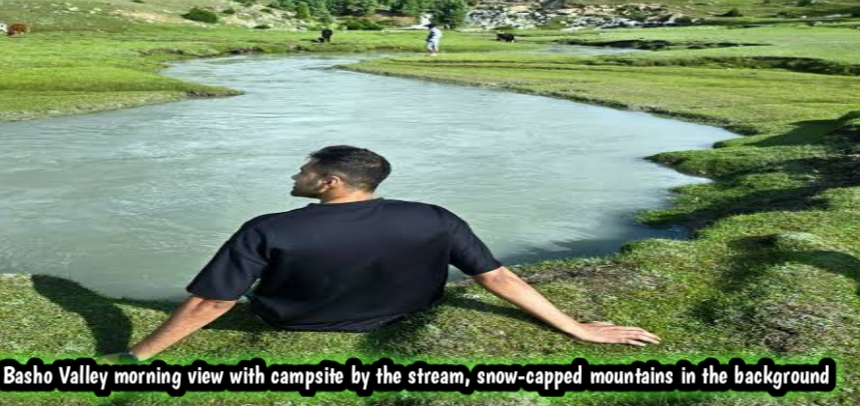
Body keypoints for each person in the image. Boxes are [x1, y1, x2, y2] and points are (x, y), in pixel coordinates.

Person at [104, 146, 659, 363]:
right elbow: (497, 278)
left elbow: (212, 304)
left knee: (234, 281)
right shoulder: (434, 216)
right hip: (404, 314)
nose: (295, 174)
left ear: (331, 182)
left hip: (296, 325)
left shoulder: (268, 228)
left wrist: (138, 356)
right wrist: (576, 329)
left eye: (305, 170)